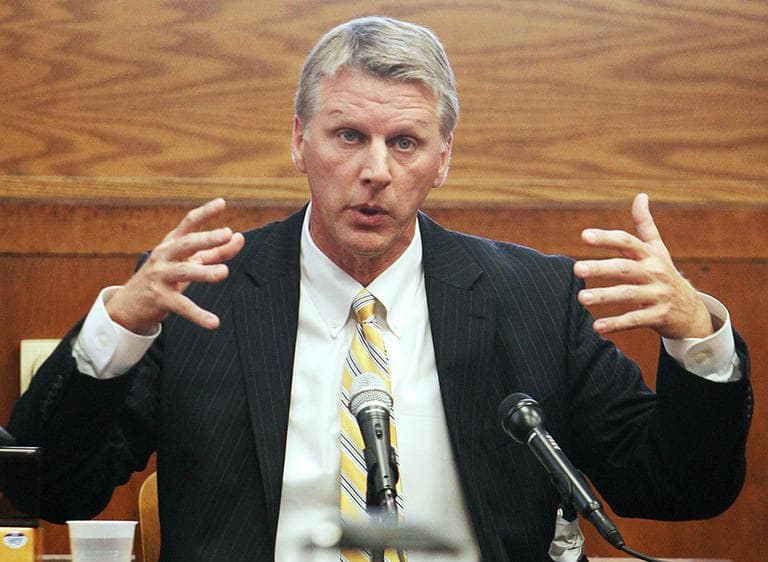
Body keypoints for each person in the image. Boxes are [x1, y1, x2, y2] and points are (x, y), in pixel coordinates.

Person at [8, 16, 751, 562]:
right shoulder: (207, 295)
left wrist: (697, 337)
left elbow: (682, 488)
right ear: (299, 140)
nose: (376, 171)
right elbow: (53, 489)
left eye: (404, 143)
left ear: (443, 158)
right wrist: (116, 329)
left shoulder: (535, 298)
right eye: (347, 136)